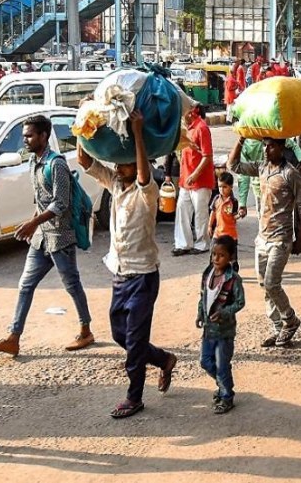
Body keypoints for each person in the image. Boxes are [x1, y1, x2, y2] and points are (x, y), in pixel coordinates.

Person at [76, 110, 178, 418]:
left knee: (134, 341)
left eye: (126, 164)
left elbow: (144, 173)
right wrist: (83, 123)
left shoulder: (148, 192)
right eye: (118, 164)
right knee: (120, 335)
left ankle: (134, 397)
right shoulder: (116, 185)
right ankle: (163, 360)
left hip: (143, 277)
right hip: (119, 275)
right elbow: (85, 161)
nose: (120, 168)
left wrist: (137, 131)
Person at [0, 115, 94, 357]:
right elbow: (41, 199)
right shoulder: (34, 161)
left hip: (60, 236)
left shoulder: (57, 164)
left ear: (43, 136)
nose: (25, 139)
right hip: (42, 237)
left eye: (29, 135)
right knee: (25, 285)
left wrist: (34, 222)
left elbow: (60, 203)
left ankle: (86, 329)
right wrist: (34, 225)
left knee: (72, 284)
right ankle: (14, 337)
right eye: (24, 135)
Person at [228, 136, 301, 348]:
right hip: (262, 237)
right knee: (264, 285)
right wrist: (240, 139)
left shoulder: (290, 173)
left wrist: (300, 240)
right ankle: (278, 329)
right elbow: (233, 165)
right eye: (265, 146)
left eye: (271, 146)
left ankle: (290, 320)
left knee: (272, 282)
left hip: (281, 239)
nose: (266, 150)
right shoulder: (261, 168)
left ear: (282, 147)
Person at [196, 235, 245, 415]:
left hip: (224, 331)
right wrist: (200, 314)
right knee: (205, 361)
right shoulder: (207, 273)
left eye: (221, 255)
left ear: (230, 257)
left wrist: (224, 313)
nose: (216, 259)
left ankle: (226, 396)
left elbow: (240, 302)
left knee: (222, 364)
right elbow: (203, 297)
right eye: (214, 254)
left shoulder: (233, 279)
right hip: (209, 329)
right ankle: (224, 383)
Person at [171, 104, 215, 256]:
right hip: (186, 180)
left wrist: (195, 174)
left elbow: (207, 156)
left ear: (190, 113)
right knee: (182, 210)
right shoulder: (187, 129)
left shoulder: (201, 128)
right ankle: (183, 243)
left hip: (200, 181)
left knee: (200, 213)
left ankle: (202, 244)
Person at [208, 172, 240, 271]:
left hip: (230, 235)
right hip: (218, 233)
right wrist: (209, 226)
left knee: (232, 257)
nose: (222, 189)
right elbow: (213, 213)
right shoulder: (216, 199)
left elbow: (235, 216)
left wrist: (240, 215)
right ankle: (213, 272)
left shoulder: (233, 202)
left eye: (224, 187)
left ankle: (233, 274)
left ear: (231, 187)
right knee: (213, 254)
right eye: (220, 187)